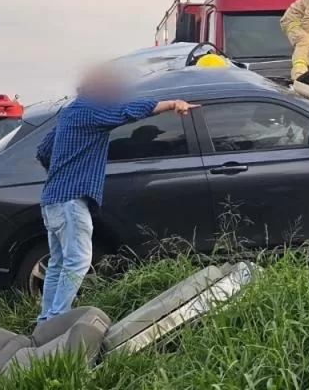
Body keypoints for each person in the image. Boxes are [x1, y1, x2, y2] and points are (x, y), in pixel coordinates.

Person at [35, 64, 198, 323]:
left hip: (52, 200)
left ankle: (46, 320)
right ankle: (57, 319)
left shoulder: (71, 112)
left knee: (58, 263)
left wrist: (61, 172)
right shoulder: (92, 108)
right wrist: (172, 104)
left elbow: (43, 150)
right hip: (71, 201)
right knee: (78, 261)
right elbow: (126, 111)